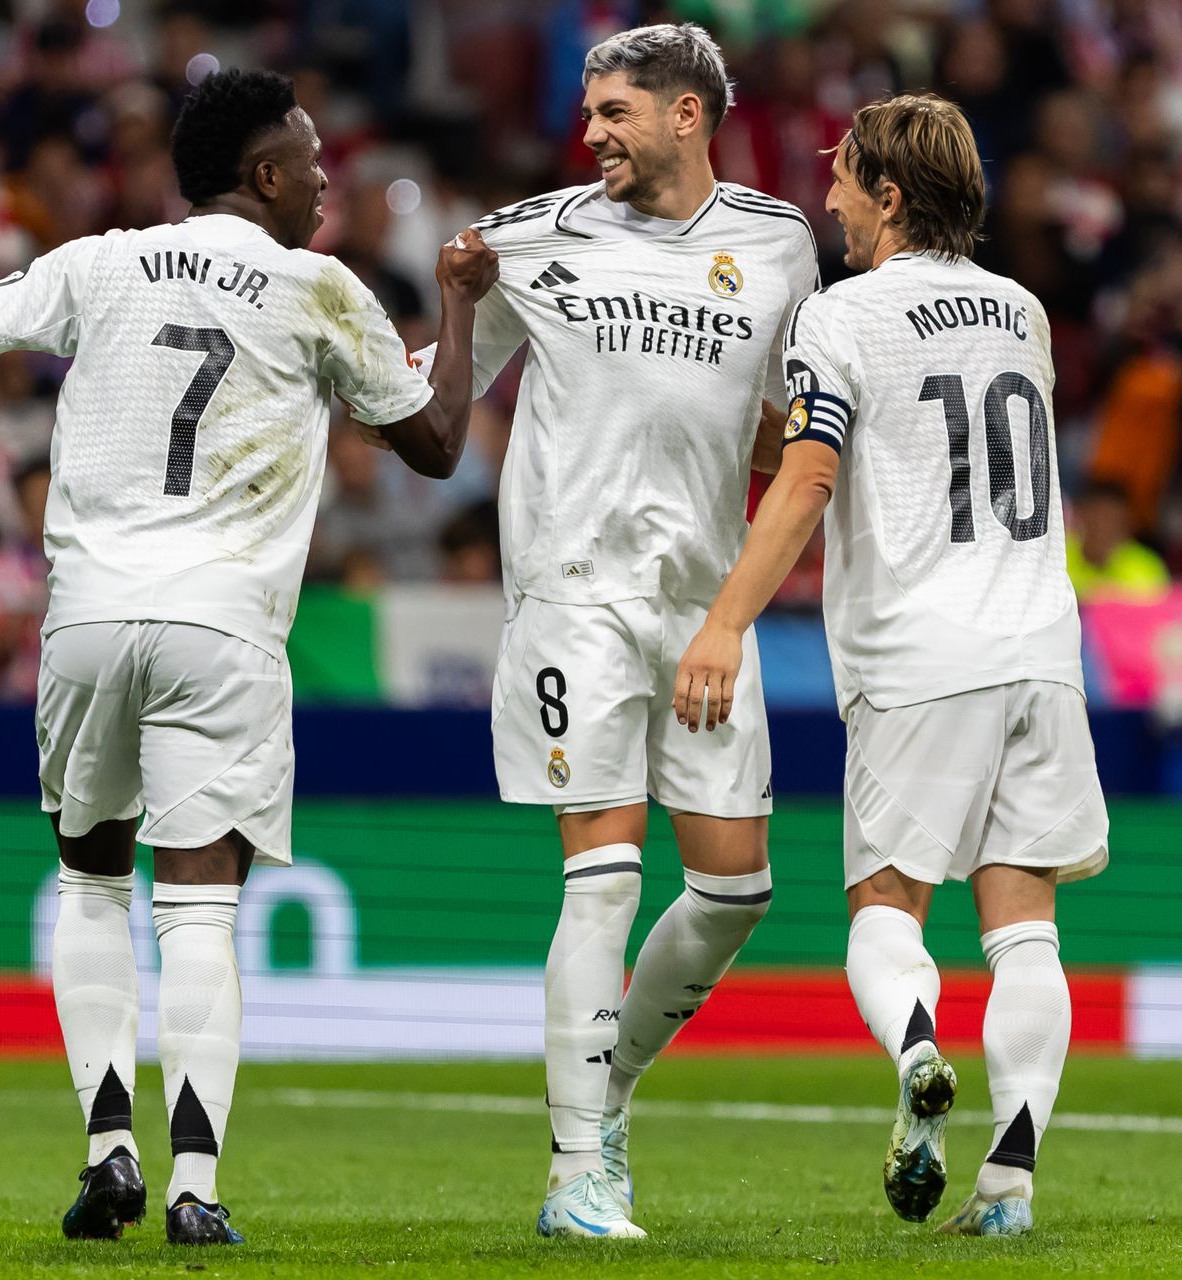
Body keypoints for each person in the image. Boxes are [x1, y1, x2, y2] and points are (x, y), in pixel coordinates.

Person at [0, 67, 498, 1246]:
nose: (329, 177)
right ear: (264, 174)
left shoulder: (99, 260)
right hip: (217, 626)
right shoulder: (318, 287)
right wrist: (462, 308)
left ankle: (107, 1147)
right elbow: (433, 445)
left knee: (88, 881)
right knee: (201, 909)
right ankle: (195, 1184)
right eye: (314, 156)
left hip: (84, 618)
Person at [401, 22, 818, 1240]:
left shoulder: (779, 242)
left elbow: (775, 416)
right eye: (589, 115)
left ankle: (609, 1077)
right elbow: (440, 400)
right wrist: (452, 312)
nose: (593, 136)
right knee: (604, 876)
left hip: (704, 601)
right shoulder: (532, 236)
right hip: (572, 589)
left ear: (689, 115)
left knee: (736, 886)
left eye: (617, 114)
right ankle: (578, 1167)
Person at [675, 93, 1108, 1238]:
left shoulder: (846, 314)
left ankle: (919, 1051)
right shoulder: (1023, 312)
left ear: (891, 197)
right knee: (1025, 927)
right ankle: (1009, 1185)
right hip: (1041, 650)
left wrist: (724, 620)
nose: (827, 199)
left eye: (844, 181)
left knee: (885, 908)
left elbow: (812, 479)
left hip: (923, 655)